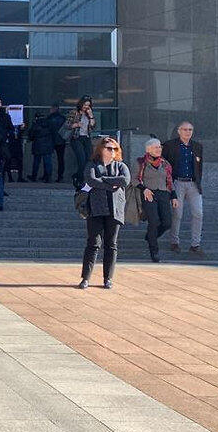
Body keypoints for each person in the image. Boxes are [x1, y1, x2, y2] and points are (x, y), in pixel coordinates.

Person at [78, 137, 130, 290]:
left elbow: (124, 181)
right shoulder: (92, 165)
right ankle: (85, 278)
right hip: (96, 208)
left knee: (111, 244)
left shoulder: (121, 166)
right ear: (101, 149)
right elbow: (92, 180)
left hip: (115, 210)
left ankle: (108, 279)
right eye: (108, 148)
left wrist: (104, 180)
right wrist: (112, 185)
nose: (112, 151)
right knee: (93, 244)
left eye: (114, 149)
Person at [133, 138, 178, 263]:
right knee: (154, 221)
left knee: (167, 222)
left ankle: (150, 236)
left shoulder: (165, 164)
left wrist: (174, 196)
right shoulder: (141, 162)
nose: (159, 149)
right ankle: (154, 251)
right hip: (149, 194)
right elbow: (134, 180)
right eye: (156, 147)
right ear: (148, 149)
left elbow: (169, 181)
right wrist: (144, 189)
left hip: (164, 194)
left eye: (159, 147)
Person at [163, 121, 204, 254]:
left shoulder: (197, 146)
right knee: (177, 214)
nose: (188, 132)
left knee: (198, 213)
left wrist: (198, 181)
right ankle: (174, 242)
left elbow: (199, 167)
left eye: (190, 130)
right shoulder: (170, 145)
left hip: (193, 184)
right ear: (179, 131)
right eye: (185, 129)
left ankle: (195, 244)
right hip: (177, 183)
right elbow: (164, 164)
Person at [68, 96, 96, 188]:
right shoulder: (74, 112)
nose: (86, 107)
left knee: (89, 158)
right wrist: (75, 124)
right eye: (85, 105)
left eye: (88, 105)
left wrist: (91, 116)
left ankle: (78, 176)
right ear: (81, 104)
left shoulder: (89, 114)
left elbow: (93, 126)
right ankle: (80, 179)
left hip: (86, 138)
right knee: (81, 159)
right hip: (76, 138)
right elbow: (67, 125)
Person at [28, 112, 56, 182]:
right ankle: (48, 178)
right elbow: (54, 134)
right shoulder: (50, 123)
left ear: (36, 117)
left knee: (36, 162)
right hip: (48, 145)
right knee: (48, 162)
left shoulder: (35, 124)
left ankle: (34, 177)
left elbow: (31, 136)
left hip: (38, 145)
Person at [47, 103, 68, 182]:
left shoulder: (49, 118)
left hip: (51, 140)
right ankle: (60, 176)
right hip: (61, 141)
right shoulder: (62, 118)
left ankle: (48, 176)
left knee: (49, 159)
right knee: (61, 159)